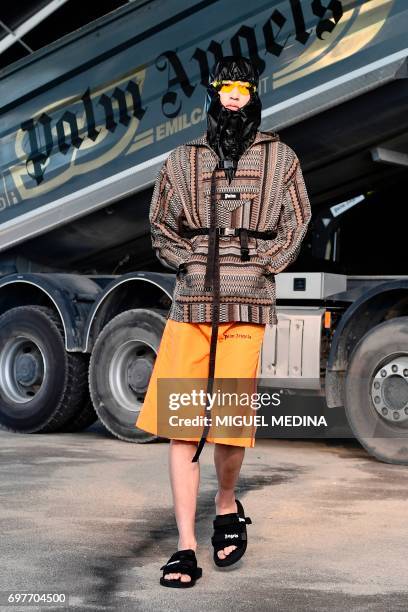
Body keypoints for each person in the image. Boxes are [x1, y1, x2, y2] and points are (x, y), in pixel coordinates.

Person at [135, 55, 312, 587]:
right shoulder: (183, 159)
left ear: (254, 93)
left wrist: (263, 265)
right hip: (191, 305)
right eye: (226, 87)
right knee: (182, 426)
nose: (234, 96)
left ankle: (228, 505)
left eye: (243, 87)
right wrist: (186, 260)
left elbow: (298, 218)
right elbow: (160, 223)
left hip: (247, 306)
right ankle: (186, 545)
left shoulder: (280, 157)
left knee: (232, 427)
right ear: (213, 93)